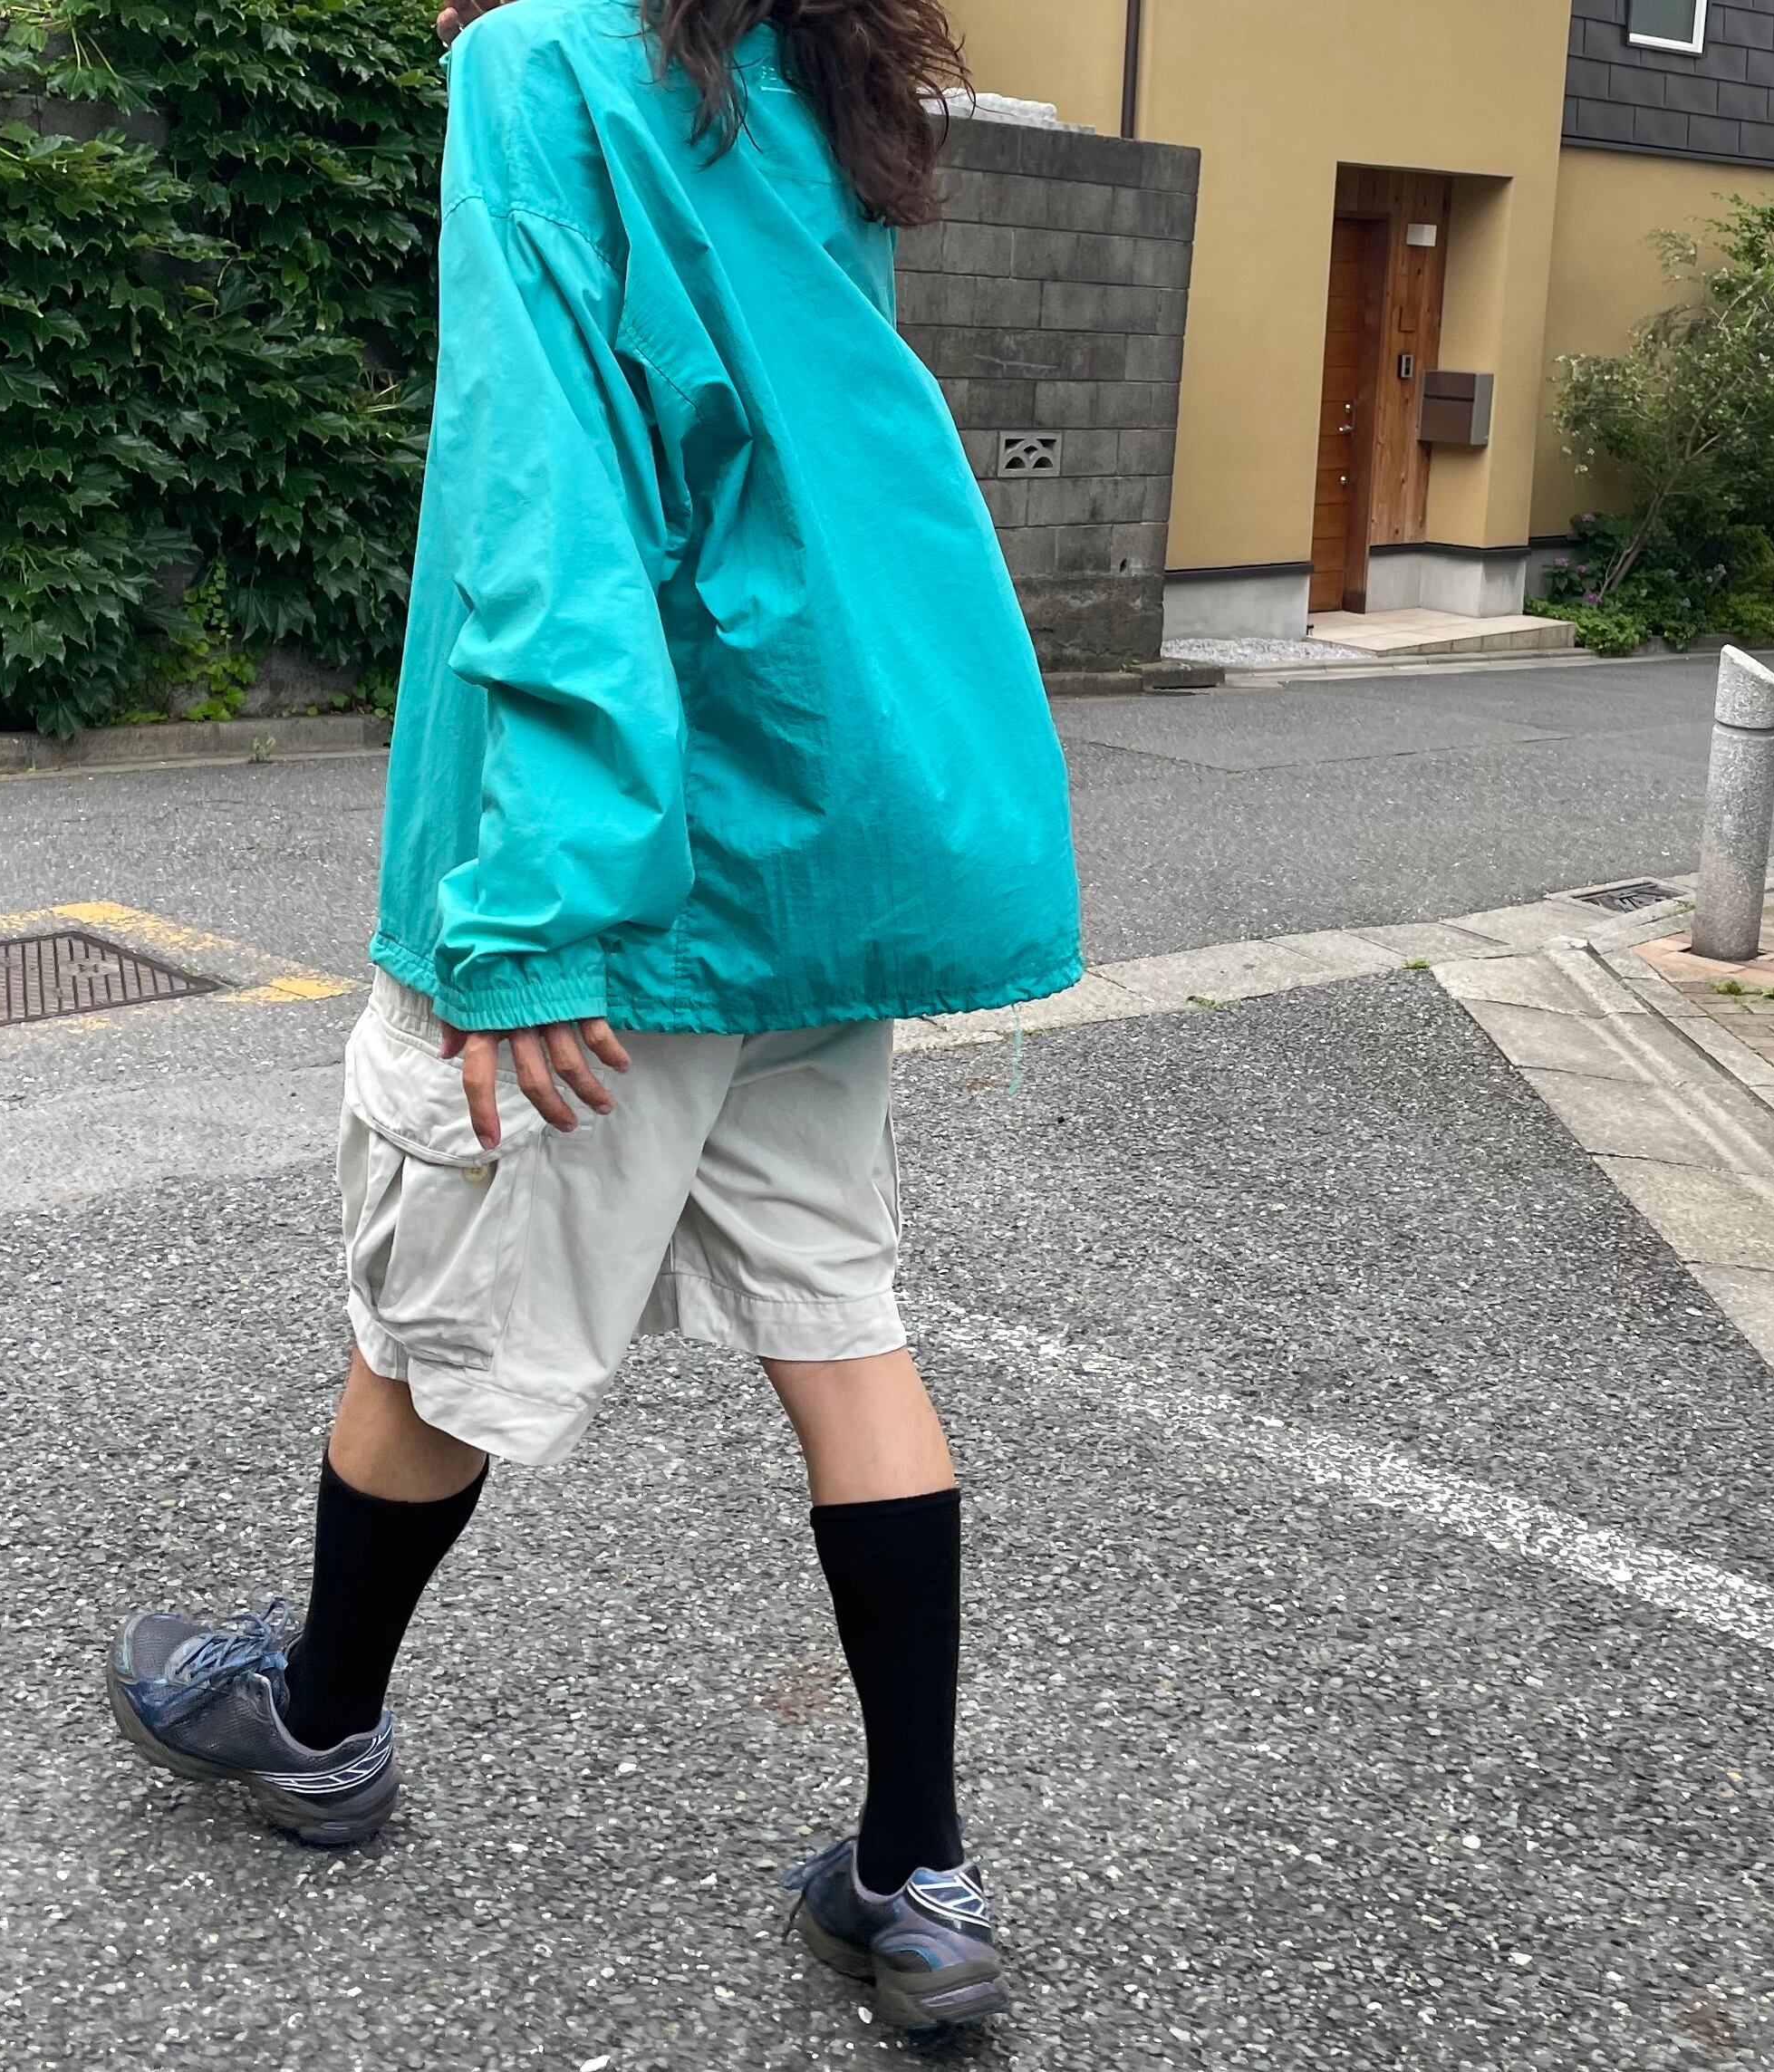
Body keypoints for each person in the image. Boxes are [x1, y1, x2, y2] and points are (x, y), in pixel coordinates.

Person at [105, 0, 1079, 2033]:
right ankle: (915, 1872)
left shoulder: (539, 63)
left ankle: (319, 1721)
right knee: (840, 1317)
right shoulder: (820, 75)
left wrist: (536, 911)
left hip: (627, 861)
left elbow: (542, 479)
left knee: (432, 1325)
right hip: (819, 825)